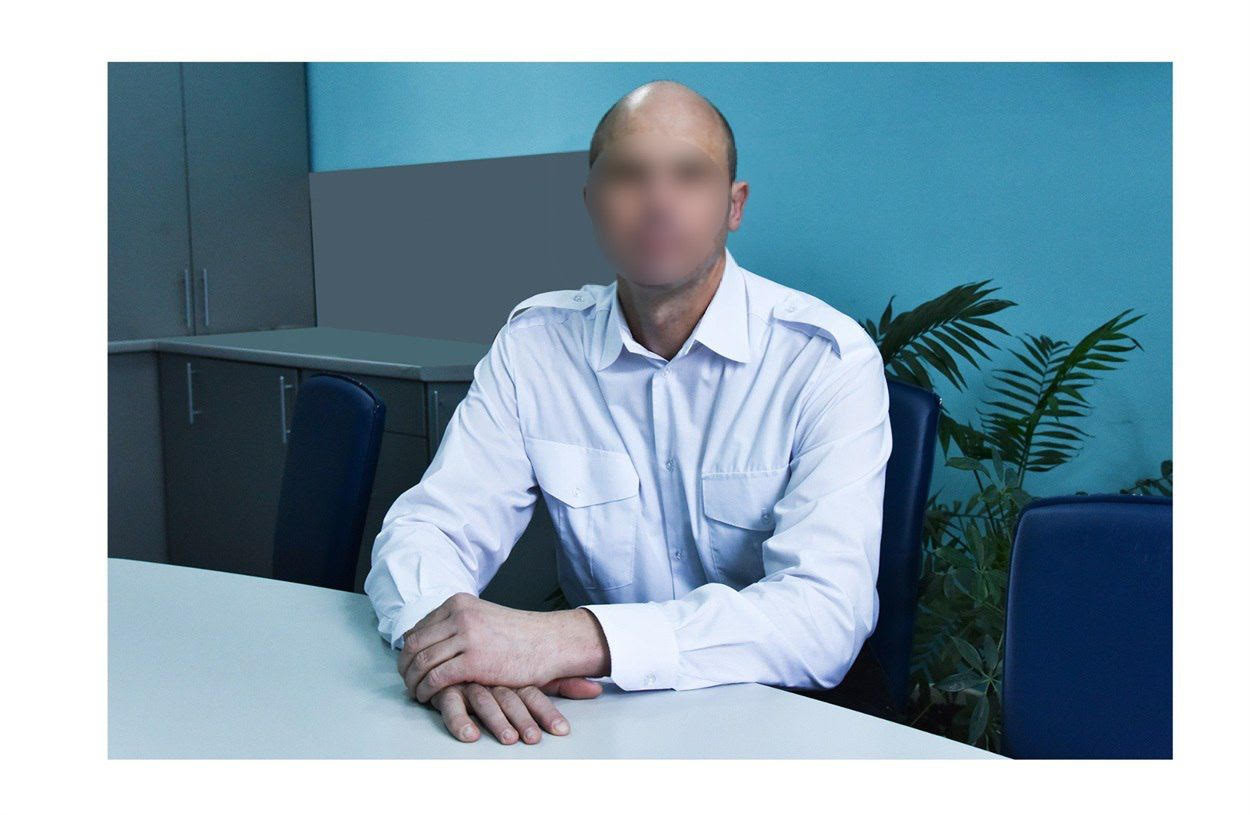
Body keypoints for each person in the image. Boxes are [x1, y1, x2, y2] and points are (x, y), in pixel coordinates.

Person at [364, 79, 893, 745]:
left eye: (690, 175)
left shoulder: (824, 360)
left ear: (734, 205)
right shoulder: (536, 346)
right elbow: (431, 526)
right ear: (591, 202)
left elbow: (823, 615)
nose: (659, 201)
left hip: (782, 723)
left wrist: (568, 639)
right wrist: (453, 652)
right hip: (602, 723)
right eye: (629, 175)